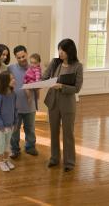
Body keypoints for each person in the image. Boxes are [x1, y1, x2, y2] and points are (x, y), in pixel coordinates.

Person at [42, 38, 83, 172]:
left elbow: (76, 88)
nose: (60, 52)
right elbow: (44, 77)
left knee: (68, 133)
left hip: (67, 104)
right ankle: (54, 158)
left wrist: (61, 86)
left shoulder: (77, 66)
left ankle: (69, 163)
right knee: (54, 131)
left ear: (70, 51)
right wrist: (44, 72)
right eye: (59, 49)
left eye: (63, 50)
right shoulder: (55, 63)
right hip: (53, 102)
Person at [8, 45, 38, 158]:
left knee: (30, 128)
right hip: (14, 106)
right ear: (16, 58)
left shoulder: (34, 68)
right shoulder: (11, 68)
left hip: (30, 106)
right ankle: (15, 149)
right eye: (19, 57)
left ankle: (30, 147)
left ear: (27, 53)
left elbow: (39, 83)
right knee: (14, 130)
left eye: (23, 56)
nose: (21, 59)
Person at [0, 71, 17, 172]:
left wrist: (15, 122)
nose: (14, 80)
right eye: (11, 79)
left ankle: (6, 160)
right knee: (1, 144)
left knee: (8, 144)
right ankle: (1, 161)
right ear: (5, 81)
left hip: (10, 124)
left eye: (13, 78)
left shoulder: (13, 94)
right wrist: (0, 125)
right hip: (1, 126)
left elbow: (15, 109)